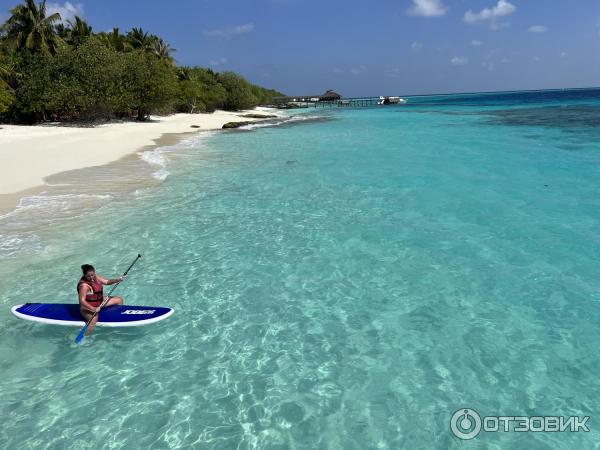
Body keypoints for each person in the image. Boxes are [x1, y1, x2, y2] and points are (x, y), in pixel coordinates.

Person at [77, 264, 125, 336]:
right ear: (84, 275)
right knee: (94, 319)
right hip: (87, 308)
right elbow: (82, 301)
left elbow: (107, 282)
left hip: (100, 303)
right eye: (88, 276)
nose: (91, 278)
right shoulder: (84, 286)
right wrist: (93, 308)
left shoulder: (95, 277)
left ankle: (117, 319)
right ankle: (86, 335)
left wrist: (117, 280)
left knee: (119, 300)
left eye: (92, 275)